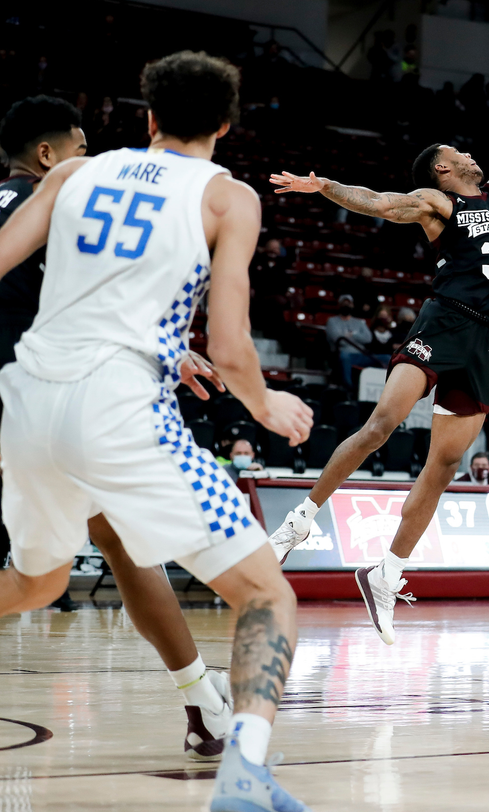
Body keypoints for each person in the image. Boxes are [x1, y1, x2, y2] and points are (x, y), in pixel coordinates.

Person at [0, 52, 314, 810]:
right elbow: (233, 345)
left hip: (30, 402)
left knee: (38, 582)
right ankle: (244, 772)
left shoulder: (73, 175)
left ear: (147, 118)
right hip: (120, 409)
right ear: (226, 125)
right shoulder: (227, 197)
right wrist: (267, 406)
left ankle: (211, 720)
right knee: (267, 594)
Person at [265, 42, 489, 645]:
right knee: (382, 424)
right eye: (457, 152)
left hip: (486, 341)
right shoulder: (436, 203)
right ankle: (299, 521)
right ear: (443, 170)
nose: (468, 152)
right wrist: (325, 187)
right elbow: (377, 203)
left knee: (444, 466)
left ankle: (386, 571)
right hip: (443, 322)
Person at [0, 93, 244, 762]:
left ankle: (202, 705)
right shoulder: (67, 202)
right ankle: (202, 706)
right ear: (48, 156)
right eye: (80, 149)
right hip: (50, 397)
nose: (91, 163)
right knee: (126, 549)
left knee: (91, 553)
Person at [325, 293, 376, 387]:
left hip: (361, 355)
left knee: (386, 358)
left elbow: (368, 339)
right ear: (339, 305)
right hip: (342, 355)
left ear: (352, 305)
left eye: (348, 304)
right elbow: (338, 339)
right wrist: (357, 337)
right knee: (345, 356)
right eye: (344, 303)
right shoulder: (332, 321)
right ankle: (348, 388)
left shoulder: (360, 322)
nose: (346, 306)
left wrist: (352, 335)